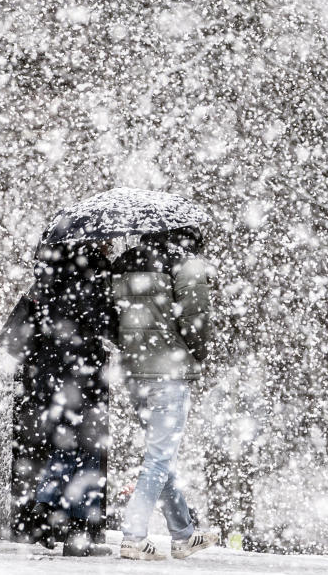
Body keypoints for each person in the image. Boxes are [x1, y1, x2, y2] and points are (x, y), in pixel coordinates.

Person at [0, 237, 119, 557]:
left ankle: (42, 507)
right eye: (109, 242)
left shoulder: (51, 272)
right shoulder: (95, 274)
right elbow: (105, 327)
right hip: (83, 375)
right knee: (88, 452)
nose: (112, 246)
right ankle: (76, 532)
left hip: (48, 374)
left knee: (64, 445)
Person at [111, 227, 219, 561]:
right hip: (168, 371)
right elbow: (196, 319)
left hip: (134, 371)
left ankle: (183, 534)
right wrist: (197, 354)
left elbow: (113, 319)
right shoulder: (186, 265)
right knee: (158, 459)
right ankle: (133, 535)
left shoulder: (122, 263)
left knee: (161, 455)